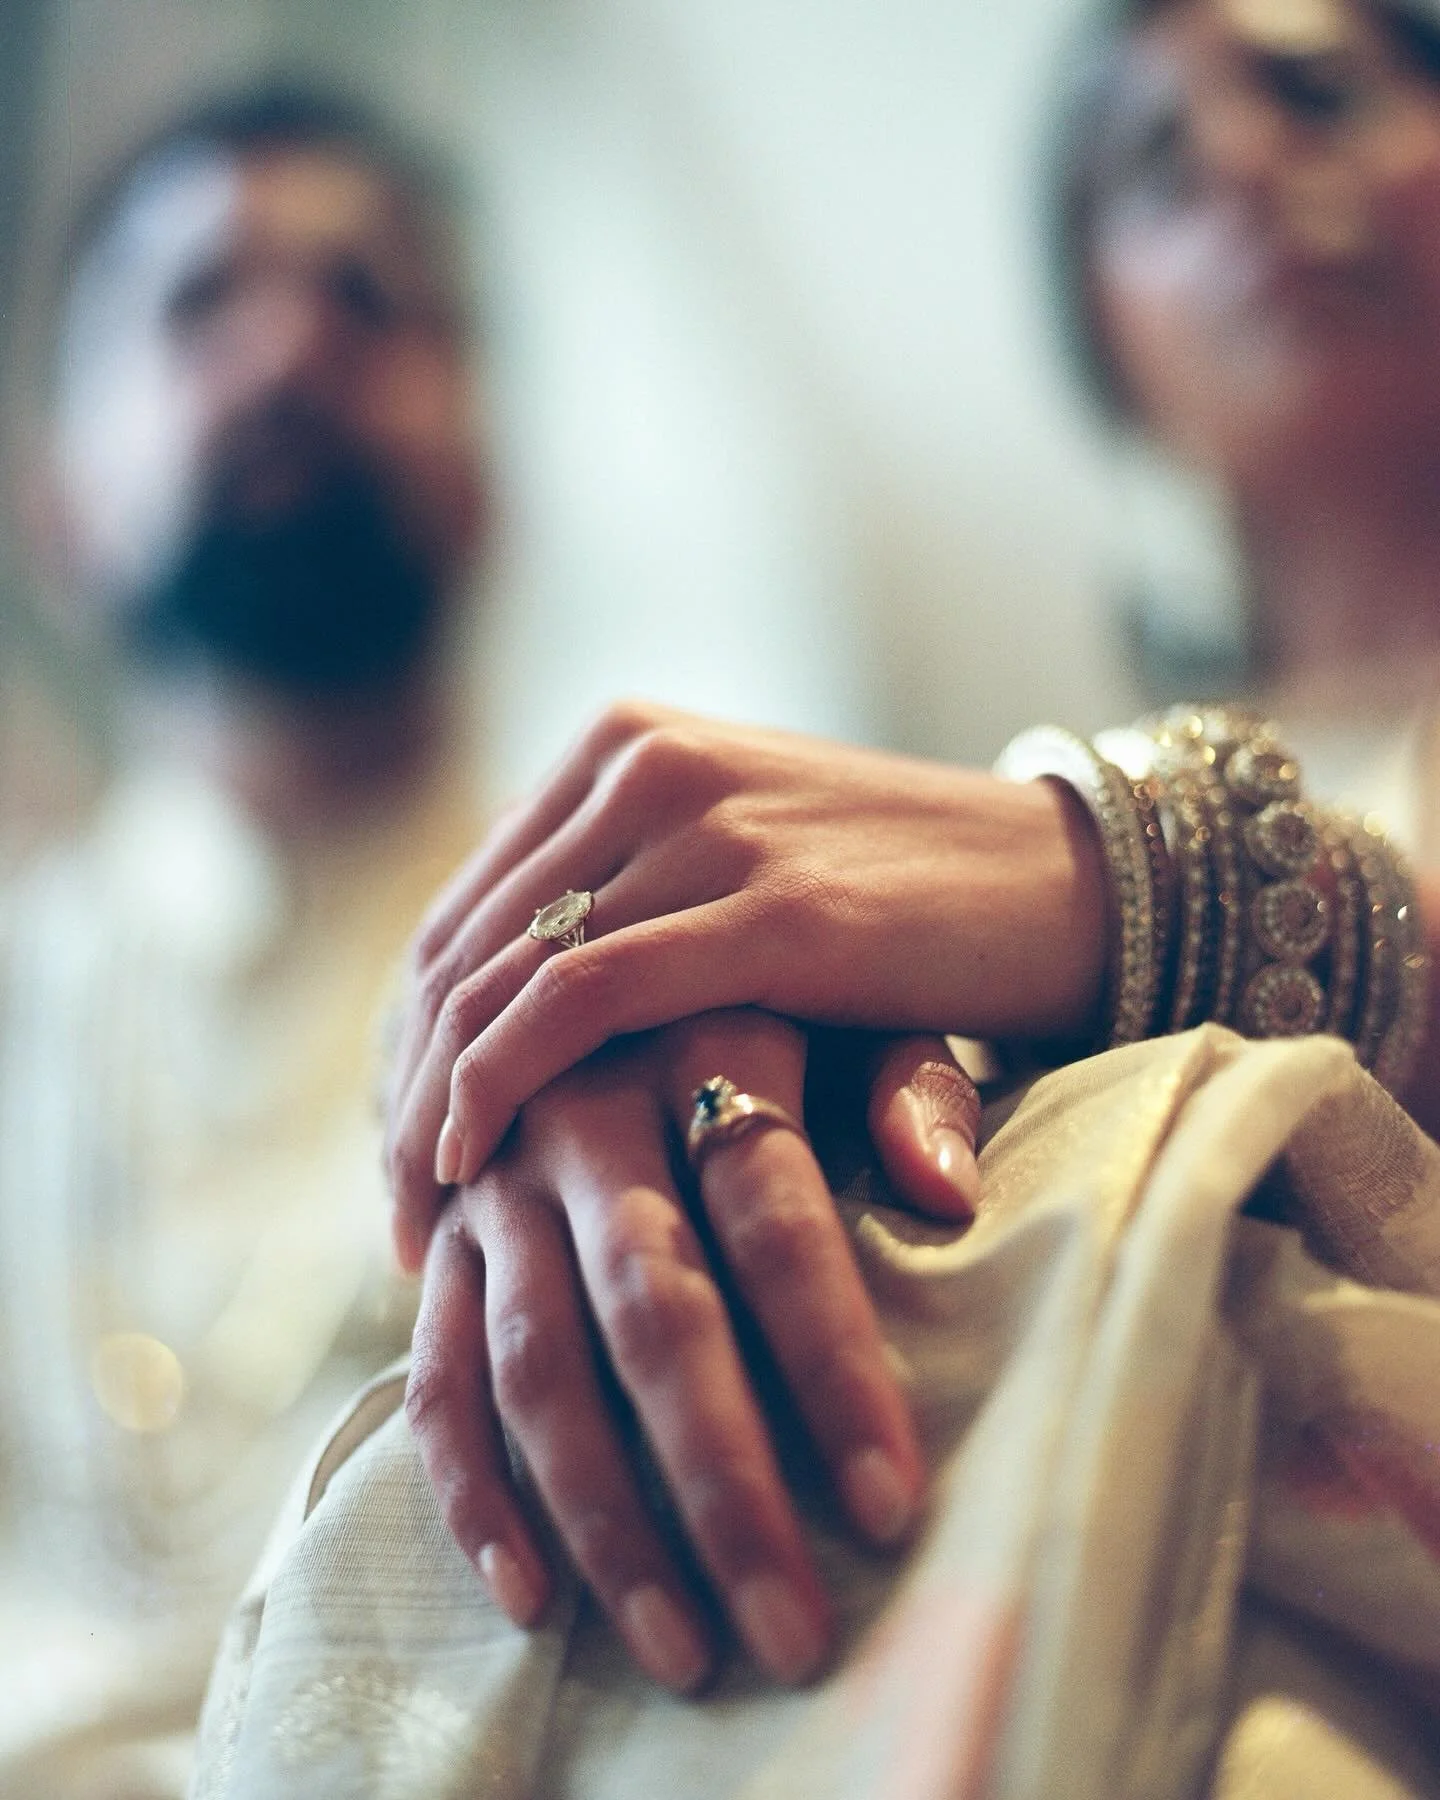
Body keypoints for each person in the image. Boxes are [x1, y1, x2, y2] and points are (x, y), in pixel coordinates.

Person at [191, 3, 1440, 1791]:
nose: (1243, 164)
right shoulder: (987, 809)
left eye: (1319, 93)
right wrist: (660, 1079)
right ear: (1116, 352)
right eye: (1152, 167)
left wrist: (1148, 882)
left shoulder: (1046, 835)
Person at [0, 80, 493, 1799]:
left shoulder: (647, 967)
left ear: (488, 470)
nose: (288, 344)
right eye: (197, 302)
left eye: (368, 297)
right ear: (57, 502)